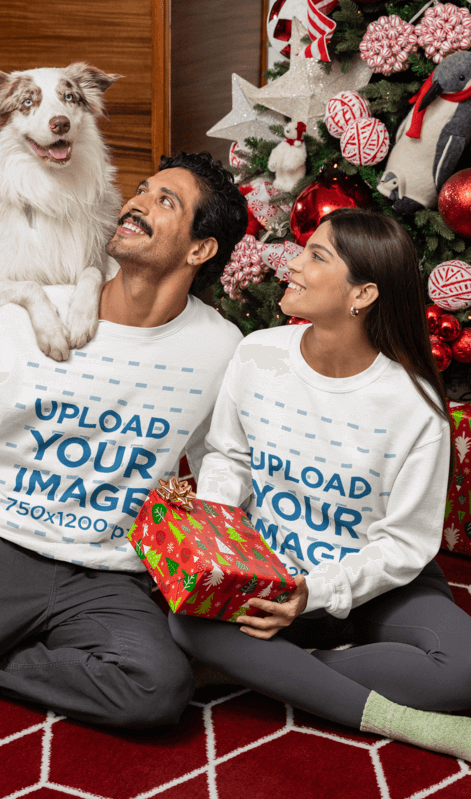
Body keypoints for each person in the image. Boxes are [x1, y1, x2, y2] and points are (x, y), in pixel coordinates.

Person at [0, 151, 247, 749]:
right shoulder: (27, 319)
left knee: (157, 688)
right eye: (143, 189)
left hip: (105, 572)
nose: (137, 203)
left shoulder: (220, 349)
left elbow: (220, 459)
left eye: (165, 201)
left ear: (200, 250)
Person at [169, 207, 471, 762]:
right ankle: (400, 720)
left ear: (363, 295)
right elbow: (229, 458)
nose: (292, 262)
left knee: (466, 670)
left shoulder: (416, 408)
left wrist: (317, 593)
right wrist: (215, 542)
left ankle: (250, 670)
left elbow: (403, 545)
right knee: (185, 622)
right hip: (269, 571)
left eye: (317, 255)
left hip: (376, 582)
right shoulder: (258, 354)